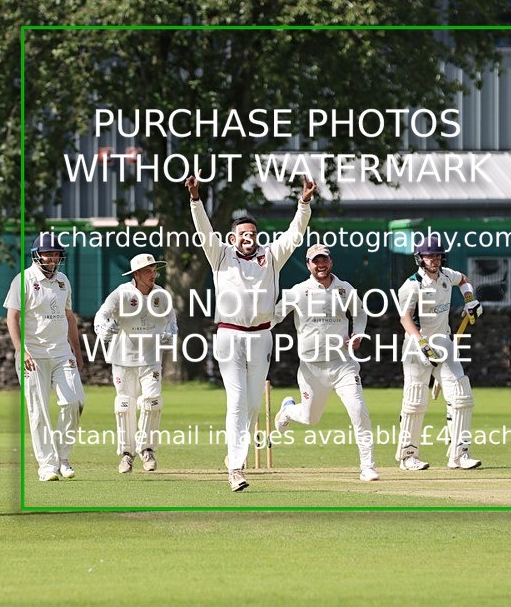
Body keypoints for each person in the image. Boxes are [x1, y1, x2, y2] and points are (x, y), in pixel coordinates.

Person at [186, 174, 315, 492]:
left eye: (252, 234)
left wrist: (304, 203)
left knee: (254, 403)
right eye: (243, 234)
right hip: (229, 335)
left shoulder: (270, 255)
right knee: (238, 400)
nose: (248, 238)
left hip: (261, 336)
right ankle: (235, 468)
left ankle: (233, 455)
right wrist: (195, 199)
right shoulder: (220, 255)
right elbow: (203, 231)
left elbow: (295, 234)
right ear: (232, 238)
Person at [272, 245, 379, 482]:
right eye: (315, 261)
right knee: (311, 420)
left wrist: (358, 334)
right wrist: (250, 330)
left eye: (324, 260)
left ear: (330, 262)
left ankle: (367, 466)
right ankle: (288, 410)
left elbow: (360, 313)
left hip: (343, 363)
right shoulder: (298, 291)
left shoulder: (345, 288)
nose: (321, 265)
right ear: (308, 264)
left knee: (358, 410)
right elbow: (275, 316)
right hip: (312, 368)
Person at [395, 234, 483, 471]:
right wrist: (422, 343)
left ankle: (459, 454)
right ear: (419, 258)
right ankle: (408, 456)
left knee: (462, 396)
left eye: (436, 255)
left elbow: (464, 279)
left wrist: (470, 300)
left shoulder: (447, 276)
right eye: (428, 256)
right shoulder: (412, 285)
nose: (433, 259)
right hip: (416, 346)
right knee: (415, 401)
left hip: (443, 343)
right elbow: (405, 318)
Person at [4, 233, 85, 482]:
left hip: (61, 352)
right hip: (33, 355)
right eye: (48, 253)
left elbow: (68, 317)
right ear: (37, 255)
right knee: (38, 412)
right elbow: (12, 318)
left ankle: (62, 458)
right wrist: (21, 350)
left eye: (56, 254)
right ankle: (47, 466)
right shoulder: (24, 279)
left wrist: (77, 351)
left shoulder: (63, 281)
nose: (52, 258)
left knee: (74, 401)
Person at [94, 253, 177, 474]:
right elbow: (101, 316)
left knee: (152, 402)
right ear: (137, 274)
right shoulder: (122, 294)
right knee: (125, 405)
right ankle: (126, 455)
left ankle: (146, 450)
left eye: (154, 270)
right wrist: (104, 329)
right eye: (148, 271)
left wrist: (171, 333)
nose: (153, 275)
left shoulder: (162, 295)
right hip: (123, 359)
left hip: (151, 359)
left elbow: (172, 322)